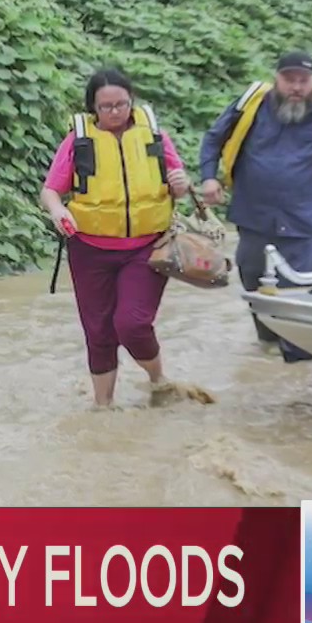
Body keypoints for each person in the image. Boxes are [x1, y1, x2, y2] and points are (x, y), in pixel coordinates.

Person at [198, 51, 312, 362]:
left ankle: (301, 367)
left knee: (302, 295)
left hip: (310, 219)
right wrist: (208, 178)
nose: (296, 87)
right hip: (254, 217)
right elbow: (214, 139)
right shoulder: (252, 104)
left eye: (304, 80)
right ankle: (268, 358)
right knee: (256, 288)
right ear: (277, 79)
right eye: (289, 79)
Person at [40, 69, 207, 407]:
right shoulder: (79, 140)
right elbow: (51, 192)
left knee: (132, 323)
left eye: (122, 104)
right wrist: (59, 212)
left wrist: (180, 183)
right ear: (93, 108)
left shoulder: (153, 134)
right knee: (98, 331)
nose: (115, 112)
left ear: (132, 102)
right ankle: (103, 406)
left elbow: (180, 181)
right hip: (89, 249)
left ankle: (158, 380)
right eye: (106, 106)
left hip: (147, 248)